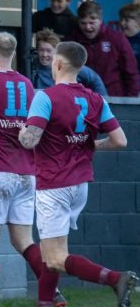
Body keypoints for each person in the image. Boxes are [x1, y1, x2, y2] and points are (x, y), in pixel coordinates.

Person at [18, 41, 138, 307]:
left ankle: (115, 278)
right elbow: (120, 141)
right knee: (54, 251)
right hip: (80, 183)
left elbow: (29, 140)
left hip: (54, 184)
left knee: (54, 258)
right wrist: (92, 145)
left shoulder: (46, 96)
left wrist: (21, 130)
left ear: (57, 63)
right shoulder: (95, 98)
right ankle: (46, 303)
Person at [0, 32, 66, 307]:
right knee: (24, 241)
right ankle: (53, 293)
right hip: (26, 174)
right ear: (14, 55)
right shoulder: (28, 85)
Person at [66, 1, 138, 97]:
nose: (88, 27)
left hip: (113, 98)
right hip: (82, 99)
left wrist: (130, 101)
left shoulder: (117, 39)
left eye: (92, 23)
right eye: (83, 23)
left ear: (100, 20)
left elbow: (131, 73)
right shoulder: (71, 41)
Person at [33, 29, 107, 96]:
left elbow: (94, 79)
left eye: (49, 51)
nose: (44, 54)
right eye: (41, 50)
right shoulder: (31, 67)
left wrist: (101, 101)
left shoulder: (68, 65)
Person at [119, 3, 140, 81]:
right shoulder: (118, 39)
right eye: (121, 19)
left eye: (126, 20)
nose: (122, 23)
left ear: (138, 22)